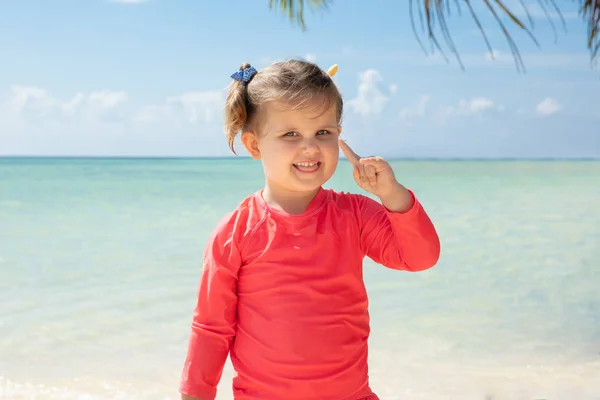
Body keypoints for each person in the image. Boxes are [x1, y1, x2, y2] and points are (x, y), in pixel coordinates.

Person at [179, 59, 440, 400]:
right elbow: (212, 329)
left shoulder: (355, 214)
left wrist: (391, 194)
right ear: (254, 146)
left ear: (338, 136)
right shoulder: (236, 231)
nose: (310, 147)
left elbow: (419, 257)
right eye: (291, 134)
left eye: (323, 132)